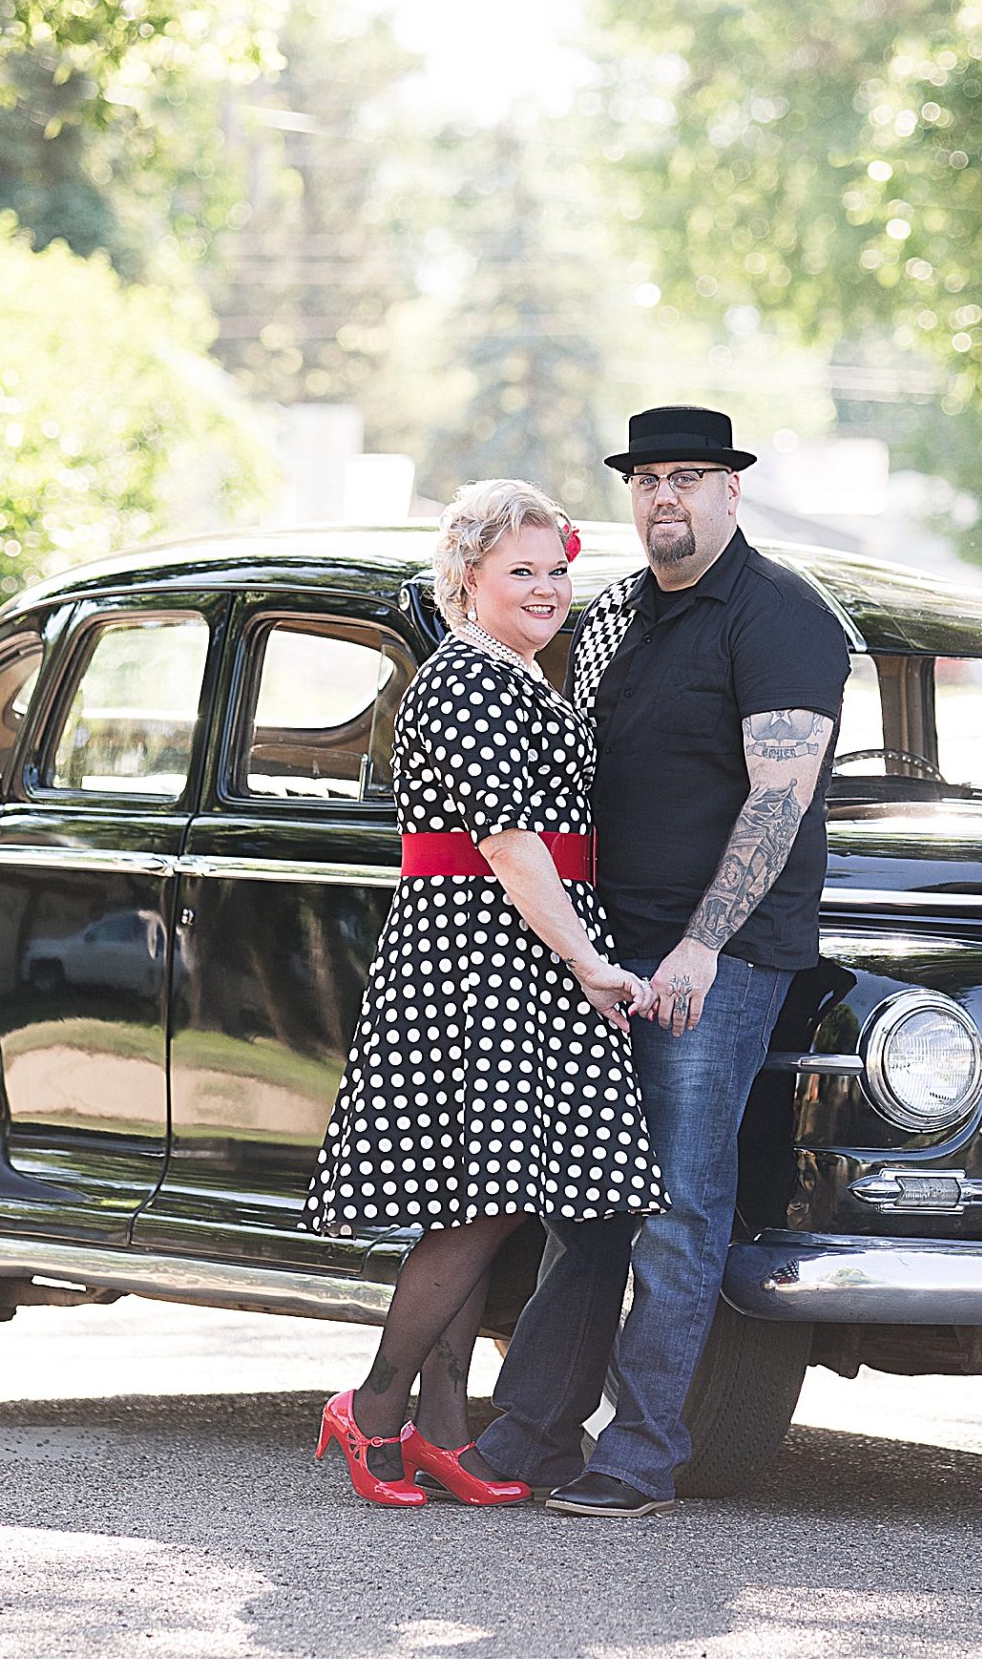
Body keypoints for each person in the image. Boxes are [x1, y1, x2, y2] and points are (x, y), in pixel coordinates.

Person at [462, 404, 852, 1517]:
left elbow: (780, 800)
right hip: (603, 951)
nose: (664, 498)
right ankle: (529, 1434)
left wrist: (698, 946)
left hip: (714, 961)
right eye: (646, 479)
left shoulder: (783, 616)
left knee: (680, 1203)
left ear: (732, 490)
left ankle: (638, 1455)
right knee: (582, 1200)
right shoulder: (618, 610)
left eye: (688, 476)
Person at [303, 478, 668, 1508]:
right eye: (523, 571)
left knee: (485, 1195)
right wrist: (589, 961)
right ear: (467, 578)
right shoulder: (465, 677)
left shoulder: (513, 673)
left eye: (557, 569)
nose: (549, 588)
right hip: (480, 951)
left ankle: (443, 1426)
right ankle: (373, 1408)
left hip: (510, 951)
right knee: (487, 1197)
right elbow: (509, 846)